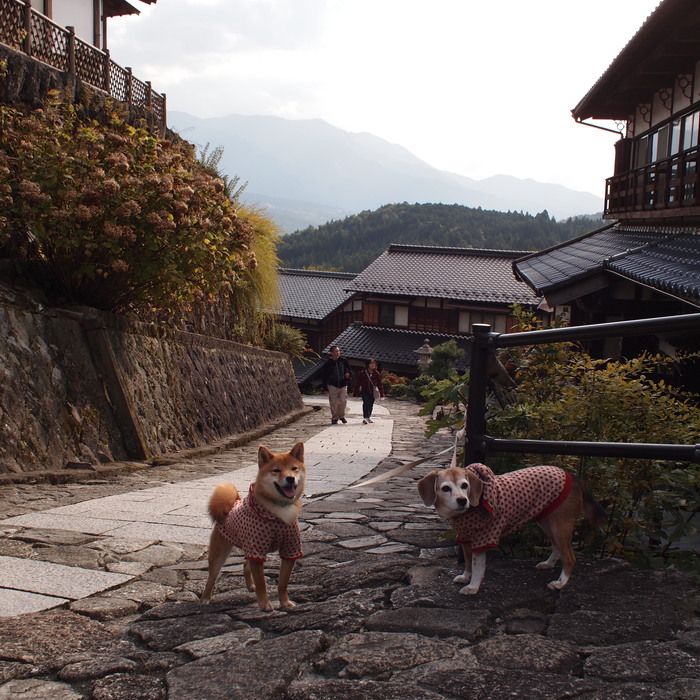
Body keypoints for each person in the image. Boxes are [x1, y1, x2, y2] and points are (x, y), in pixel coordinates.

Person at [321, 346, 352, 424]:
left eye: (338, 351)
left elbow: (348, 370)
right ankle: (334, 417)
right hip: (332, 385)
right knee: (333, 402)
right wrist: (325, 388)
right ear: (331, 353)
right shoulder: (328, 363)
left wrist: (348, 374)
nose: (337, 353)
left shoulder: (344, 361)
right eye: (335, 351)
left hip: (343, 384)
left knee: (343, 401)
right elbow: (324, 376)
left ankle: (342, 416)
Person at [353, 358, 384, 424]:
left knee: (370, 404)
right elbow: (358, 383)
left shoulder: (376, 373)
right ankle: (365, 417)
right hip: (365, 391)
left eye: (374, 363)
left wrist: (382, 394)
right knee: (366, 403)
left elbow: (379, 384)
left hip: (373, 392)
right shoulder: (363, 373)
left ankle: (368, 417)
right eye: (371, 363)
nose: (373, 365)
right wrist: (355, 392)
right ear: (368, 364)